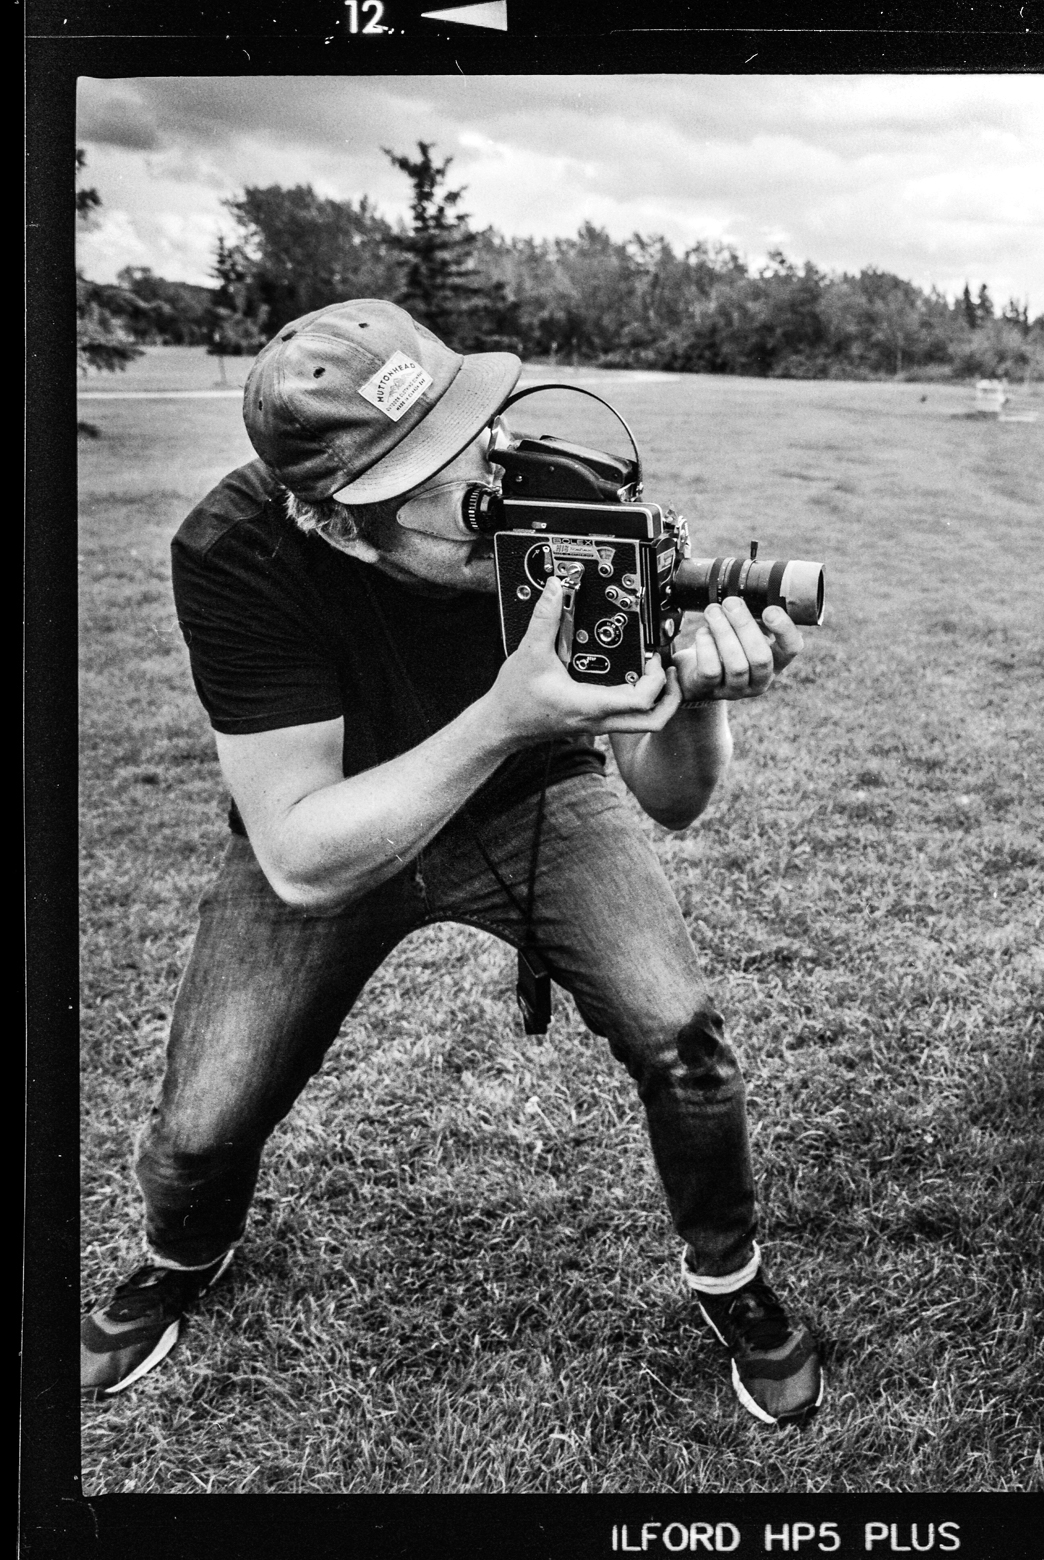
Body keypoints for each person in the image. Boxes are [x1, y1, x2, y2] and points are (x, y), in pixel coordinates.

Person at [81, 299, 822, 1425]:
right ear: (338, 521)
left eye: (470, 431)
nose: (488, 486)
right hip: (343, 826)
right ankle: (182, 1257)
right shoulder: (237, 552)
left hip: (535, 793)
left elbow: (670, 797)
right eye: (433, 478)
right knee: (199, 1127)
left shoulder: (562, 494)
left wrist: (700, 703)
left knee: (681, 1037)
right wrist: (499, 715)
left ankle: (729, 1276)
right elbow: (298, 856)